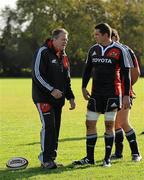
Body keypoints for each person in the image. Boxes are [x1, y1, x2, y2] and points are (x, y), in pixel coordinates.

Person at [72, 23, 131, 167]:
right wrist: (83, 87)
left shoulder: (119, 50)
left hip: (113, 94)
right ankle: (90, 158)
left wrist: (126, 95)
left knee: (109, 126)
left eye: (97, 34)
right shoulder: (93, 49)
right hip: (95, 94)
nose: (95, 36)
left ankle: (107, 159)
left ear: (106, 35)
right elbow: (87, 70)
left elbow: (126, 74)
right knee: (89, 123)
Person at [32, 28, 76, 169]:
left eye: (67, 40)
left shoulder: (64, 56)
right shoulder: (43, 52)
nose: (65, 42)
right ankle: (45, 159)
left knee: (56, 128)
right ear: (54, 39)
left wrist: (70, 97)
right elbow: (37, 75)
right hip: (43, 98)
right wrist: (51, 90)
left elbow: (66, 79)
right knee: (49, 126)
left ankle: (51, 159)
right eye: (63, 39)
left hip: (59, 100)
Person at [111, 29, 142, 161]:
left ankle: (136, 153)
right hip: (111, 92)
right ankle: (118, 153)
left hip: (123, 92)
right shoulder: (104, 50)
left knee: (123, 122)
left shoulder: (125, 50)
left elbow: (136, 72)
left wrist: (127, 88)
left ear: (112, 37)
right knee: (116, 124)